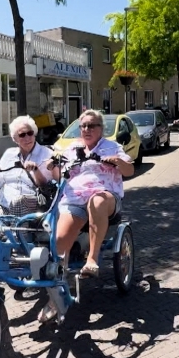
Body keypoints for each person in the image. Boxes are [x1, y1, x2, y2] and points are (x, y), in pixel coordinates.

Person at [40, 109, 134, 321]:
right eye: (83, 126)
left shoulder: (112, 147)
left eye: (92, 125)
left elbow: (129, 171)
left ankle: (92, 259)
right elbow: (58, 176)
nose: (87, 129)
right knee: (59, 243)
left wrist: (116, 161)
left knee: (97, 201)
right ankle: (55, 298)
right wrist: (53, 166)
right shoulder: (73, 149)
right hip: (75, 199)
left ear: (101, 129)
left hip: (106, 197)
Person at [0, 116, 54, 278]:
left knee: (18, 202)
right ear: (14, 138)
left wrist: (35, 170)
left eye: (30, 133)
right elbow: (0, 180)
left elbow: (46, 185)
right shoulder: (10, 154)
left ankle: (17, 245)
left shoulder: (46, 153)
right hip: (4, 204)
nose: (27, 138)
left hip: (32, 201)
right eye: (22, 135)